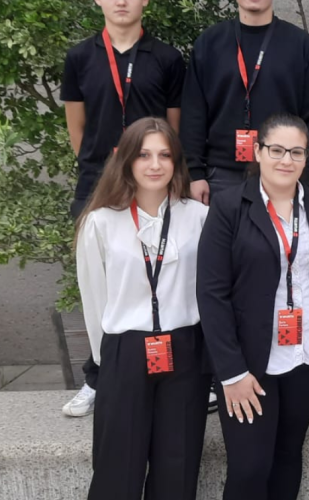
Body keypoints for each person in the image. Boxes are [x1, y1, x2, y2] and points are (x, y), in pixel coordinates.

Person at [61, 0, 186, 417]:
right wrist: (104, 170)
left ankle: (171, 373)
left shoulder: (168, 58)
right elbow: (78, 128)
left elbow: (173, 131)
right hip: (99, 182)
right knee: (100, 284)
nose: (121, 1)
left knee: (157, 278)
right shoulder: (80, 56)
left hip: (154, 181)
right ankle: (98, 377)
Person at [196, 114, 309, 500]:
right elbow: (211, 293)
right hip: (249, 363)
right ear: (258, 152)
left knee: (287, 456)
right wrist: (230, 372)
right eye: (276, 150)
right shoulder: (230, 205)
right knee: (249, 467)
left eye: (296, 152)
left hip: (308, 356)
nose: (286, 160)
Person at [74, 117, 210, 500]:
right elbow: (94, 297)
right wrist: (105, 360)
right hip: (123, 352)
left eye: (165, 155)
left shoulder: (199, 217)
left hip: (184, 350)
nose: (155, 164)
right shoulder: (100, 222)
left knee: (178, 465)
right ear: (128, 160)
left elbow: (210, 292)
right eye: (145, 155)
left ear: (177, 162)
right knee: (117, 465)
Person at [182, 0, 309, 203]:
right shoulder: (209, 43)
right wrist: (194, 173)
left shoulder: (301, 46)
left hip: (284, 173)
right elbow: (194, 112)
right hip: (220, 175)